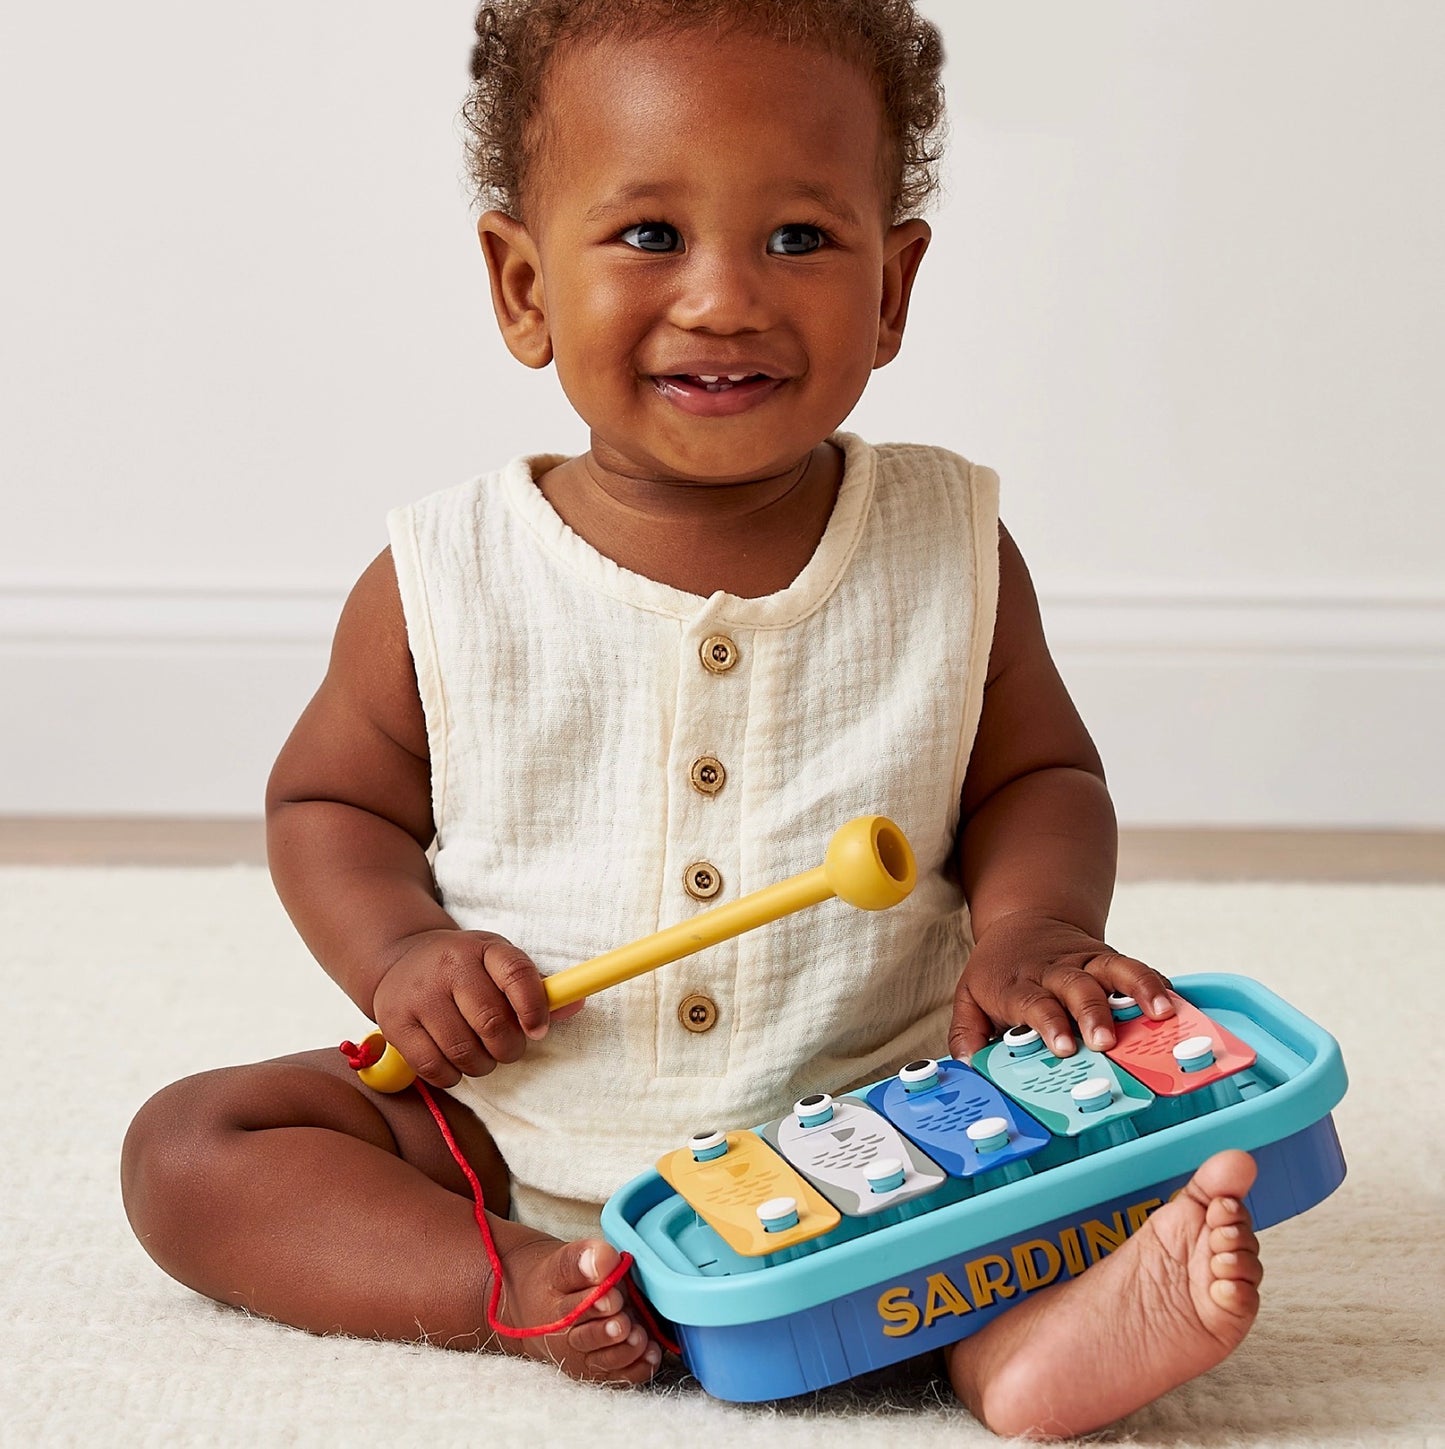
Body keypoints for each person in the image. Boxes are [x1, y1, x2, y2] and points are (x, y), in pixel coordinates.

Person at [121, 1, 1263, 1436]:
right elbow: (330, 806)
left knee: (1105, 1112)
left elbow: (1037, 771)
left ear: (893, 286)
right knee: (191, 1146)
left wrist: (1030, 929)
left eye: (797, 239)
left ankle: (1009, 1347)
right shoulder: (444, 573)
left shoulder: (949, 544)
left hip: (883, 1114)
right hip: (517, 1118)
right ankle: (527, 1278)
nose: (724, 298)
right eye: (650, 235)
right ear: (522, 283)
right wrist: (403, 949)